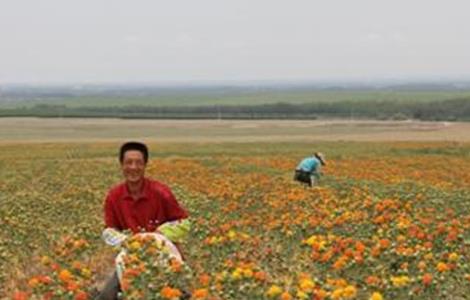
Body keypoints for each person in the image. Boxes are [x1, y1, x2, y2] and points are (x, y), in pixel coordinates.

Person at [97, 141, 190, 300]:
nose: (133, 167)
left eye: (138, 163)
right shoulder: (114, 196)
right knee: (107, 295)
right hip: (132, 258)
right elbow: (108, 231)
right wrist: (128, 241)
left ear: (145, 165)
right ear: (121, 165)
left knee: (182, 294)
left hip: (164, 256)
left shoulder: (161, 192)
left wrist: (159, 234)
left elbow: (184, 223)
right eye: (129, 162)